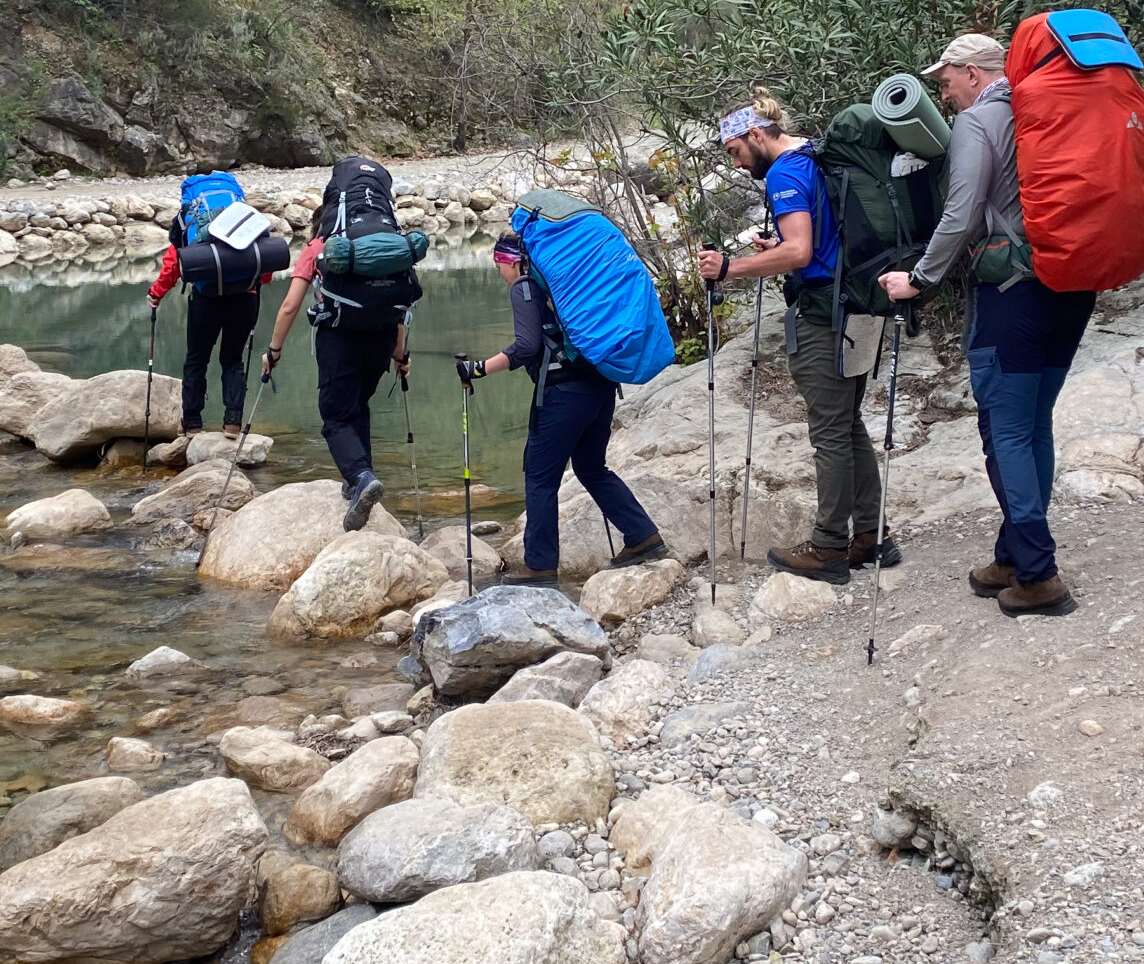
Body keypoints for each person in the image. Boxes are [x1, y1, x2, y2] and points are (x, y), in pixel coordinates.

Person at [880, 32, 1090, 616]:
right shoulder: (1051, 109)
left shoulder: (980, 122)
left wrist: (918, 279)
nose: (943, 94)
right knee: (1033, 423)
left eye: (946, 81)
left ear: (975, 74)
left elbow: (964, 210)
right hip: (1072, 284)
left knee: (1006, 431)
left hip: (1013, 292)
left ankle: (1039, 574)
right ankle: (1013, 555)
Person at [698, 100, 886, 584]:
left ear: (758, 135)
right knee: (849, 424)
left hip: (826, 316)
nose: (736, 163)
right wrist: (778, 250)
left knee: (829, 432)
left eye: (736, 150)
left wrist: (730, 268)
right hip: (861, 306)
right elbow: (817, 242)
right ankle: (869, 534)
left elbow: (800, 251)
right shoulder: (817, 159)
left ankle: (828, 547)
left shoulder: (785, 174)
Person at [455, 230, 665, 584]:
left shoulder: (524, 287)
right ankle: (643, 536)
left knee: (539, 476)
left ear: (511, 261)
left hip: (564, 394)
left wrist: (478, 369)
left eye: (499, 265)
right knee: (591, 468)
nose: (500, 273)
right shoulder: (564, 286)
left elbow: (525, 347)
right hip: (601, 385)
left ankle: (539, 566)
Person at [261, 158, 417, 530]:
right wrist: (400, 353)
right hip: (380, 338)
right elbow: (399, 306)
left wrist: (274, 350)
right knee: (357, 406)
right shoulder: (387, 243)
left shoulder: (320, 247)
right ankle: (360, 479)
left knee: (335, 416)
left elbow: (289, 306)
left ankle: (361, 477)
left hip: (339, 338)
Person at [149, 223, 273, 438]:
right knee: (233, 360)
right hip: (245, 299)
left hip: (206, 300)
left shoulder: (194, 222)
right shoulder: (244, 221)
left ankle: (192, 423)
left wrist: (156, 294)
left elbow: (173, 263)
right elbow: (265, 272)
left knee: (196, 359)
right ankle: (233, 423)